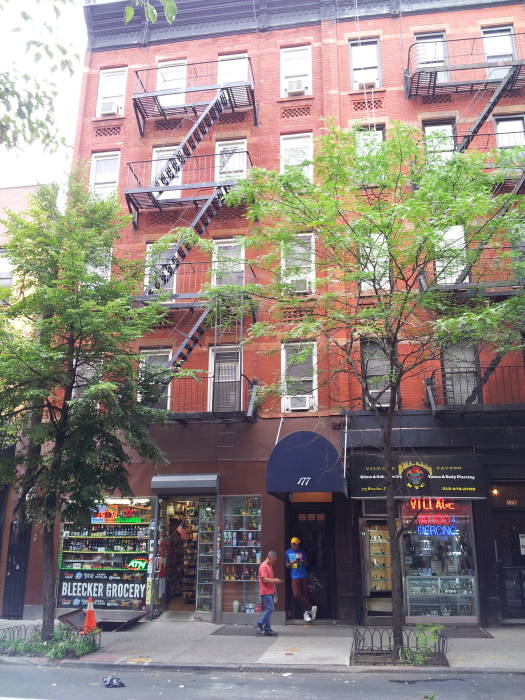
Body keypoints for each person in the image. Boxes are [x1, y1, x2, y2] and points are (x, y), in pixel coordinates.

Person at [285, 536, 317, 623]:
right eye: (293, 544)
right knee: (296, 594)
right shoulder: (287, 552)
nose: (294, 546)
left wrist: (302, 562)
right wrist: (292, 563)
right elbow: (286, 565)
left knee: (305, 595)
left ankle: (307, 616)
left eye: (296, 544)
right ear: (291, 544)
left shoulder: (302, 552)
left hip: (304, 575)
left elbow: (307, 563)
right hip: (295, 576)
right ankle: (310, 608)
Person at [255, 550, 282, 636]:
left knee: (269, 610)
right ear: (270, 558)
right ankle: (259, 623)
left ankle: (267, 629)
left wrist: (274, 589)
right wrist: (275, 580)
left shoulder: (269, 565)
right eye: (274, 560)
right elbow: (264, 579)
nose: (274, 562)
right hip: (265, 591)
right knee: (270, 609)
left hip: (270, 591)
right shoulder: (263, 566)